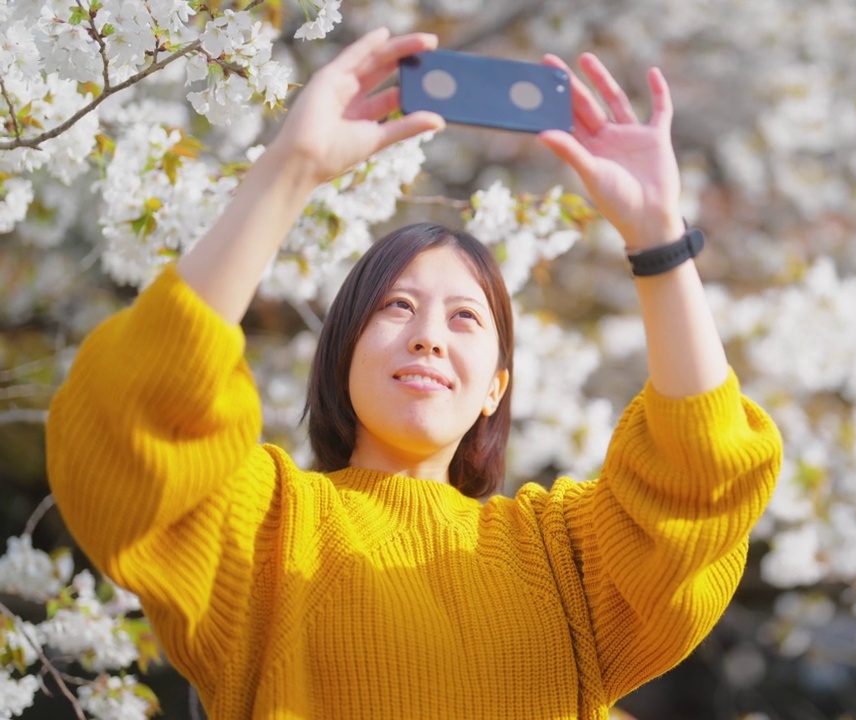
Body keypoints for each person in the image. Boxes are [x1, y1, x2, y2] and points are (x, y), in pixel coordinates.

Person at [45, 28, 782, 719]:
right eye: (397, 308)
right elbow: (132, 419)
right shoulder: (268, 535)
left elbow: (701, 485)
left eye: (465, 319)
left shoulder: (564, 560)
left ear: (496, 384)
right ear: (341, 354)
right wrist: (289, 169)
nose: (429, 337)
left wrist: (657, 239)